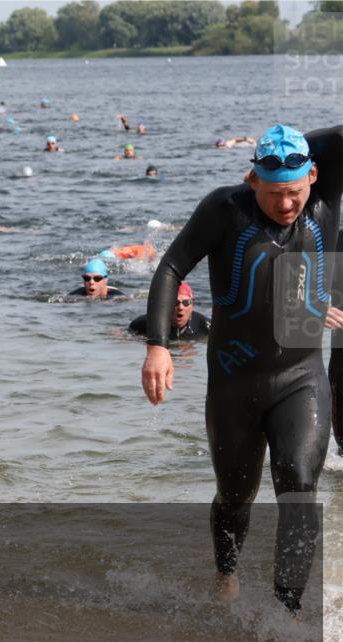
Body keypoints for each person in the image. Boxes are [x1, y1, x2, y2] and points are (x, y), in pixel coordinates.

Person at [141, 123, 343, 615]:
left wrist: (320, 301)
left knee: (297, 482)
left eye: (295, 193)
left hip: (301, 376)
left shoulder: (326, 198)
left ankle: (287, 610)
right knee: (236, 494)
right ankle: (226, 576)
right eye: (274, 194)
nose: (287, 205)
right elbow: (170, 268)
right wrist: (158, 346)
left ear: (313, 175)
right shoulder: (225, 210)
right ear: (253, 180)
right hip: (235, 382)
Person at [129, 282, 210, 341]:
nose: (180, 307)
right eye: (175, 302)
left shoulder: (204, 325)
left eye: (186, 303)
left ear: (192, 305)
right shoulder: (145, 323)